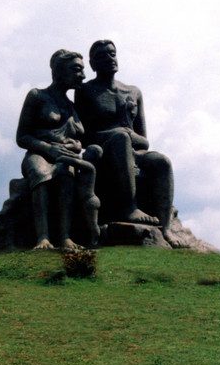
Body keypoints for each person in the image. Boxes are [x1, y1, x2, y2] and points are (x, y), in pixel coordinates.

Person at [74, 40, 181, 247]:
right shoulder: (86, 91)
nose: (109, 59)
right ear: (93, 65)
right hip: (105, 153)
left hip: (133, 151)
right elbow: (84, 138)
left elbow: (144, 141)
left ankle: (166, 228)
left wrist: (127, 132)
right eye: (101, 56)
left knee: (162, 161)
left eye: (112, 54)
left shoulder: (133, 92)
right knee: (120, 137)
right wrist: (117, 133)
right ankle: (129, 208)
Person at [16, 49, 101, 250]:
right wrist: (48, 149)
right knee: (40, 173)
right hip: (38, 154)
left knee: (66, 176)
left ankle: (65, 237)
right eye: (77, 69)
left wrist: (76, 146)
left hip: (65, 159)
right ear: (59, 71)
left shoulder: (72, 106)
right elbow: (22, 137)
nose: (82, 75)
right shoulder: (37, 96)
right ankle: (43, 237)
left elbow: (78, 140)